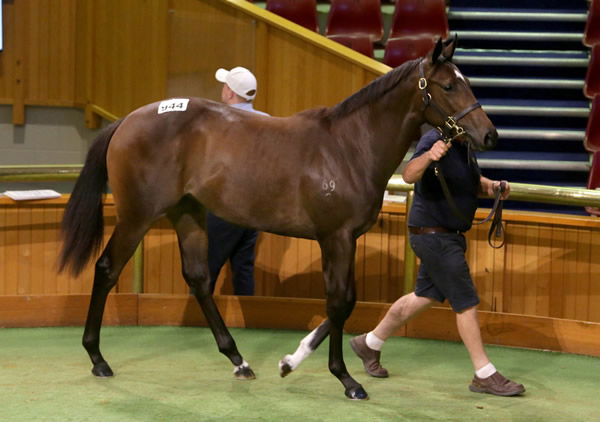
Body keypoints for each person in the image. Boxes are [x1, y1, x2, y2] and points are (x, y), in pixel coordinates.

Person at [349, 128, 525, 397]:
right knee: (466, 301)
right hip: (435, 236)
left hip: (444, 236)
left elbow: (471, 182)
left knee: (424, 296)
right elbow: (409, 175)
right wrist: (430, 155)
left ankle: (370, 342)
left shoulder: (463, 146)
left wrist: (492, 187)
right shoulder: (435, 139)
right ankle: (484, 374)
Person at [208, 66, 269, 295]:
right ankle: (251, 323)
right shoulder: (268, 122)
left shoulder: (220, 123)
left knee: (206, 269)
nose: (223, 90)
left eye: (225, 86)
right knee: (243, 268)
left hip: (223, 206)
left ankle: (196, 319)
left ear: (230, 93)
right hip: (254, 210)